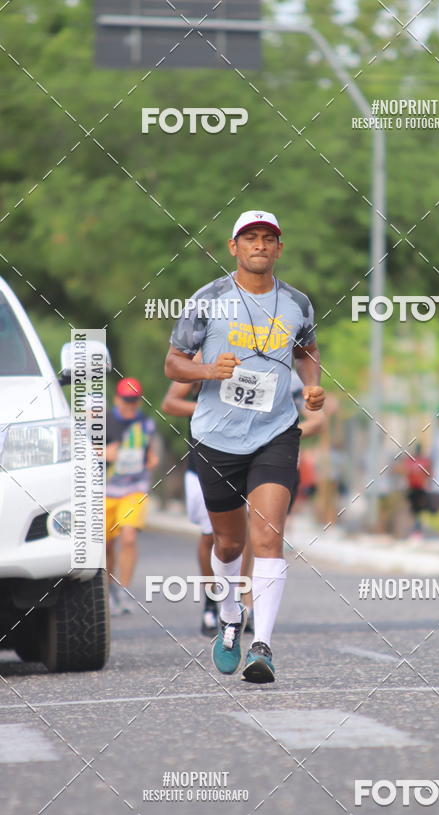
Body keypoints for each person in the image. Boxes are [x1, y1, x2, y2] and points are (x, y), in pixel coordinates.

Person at [164, 210, 325, 683]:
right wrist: (207, 371)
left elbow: (307, 351)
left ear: (279, 248)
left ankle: (263, 645)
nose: (259, 245)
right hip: (216, 437)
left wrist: (312, 387)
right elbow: (173, 363)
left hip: (275, 432)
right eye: (249, 238)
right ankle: (230, 616)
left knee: (268, 538)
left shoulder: (297, 302)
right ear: (233, 247)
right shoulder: (208, 301)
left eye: (268, 239)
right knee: (229, 543)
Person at [161, 376, 220, 637]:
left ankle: (242, 603)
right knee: (211, 536)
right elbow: (170, 403)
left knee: (246, 537)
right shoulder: (203, 360)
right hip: (203, 467)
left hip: (246, 463)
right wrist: (210, 409)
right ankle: (211, 603)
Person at [106, 377, 158, 614]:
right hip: (104, 491)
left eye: (134, 401)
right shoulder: (102, 421)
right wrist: (104, 453)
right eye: (126, 400)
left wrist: (151, 459)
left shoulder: (145, 424)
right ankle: (107, 591)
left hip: (133, 489)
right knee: (105, 544)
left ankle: (124, 591)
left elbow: (150, 452)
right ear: (117, 399)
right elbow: (81, 450)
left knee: (128, 537)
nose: (130, 405)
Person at [403, 443, 431, 536]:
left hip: (421, 489)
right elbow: (405, 472)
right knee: (412, 510)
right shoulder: (410, 460)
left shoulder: (425, 461)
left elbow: (428, 474)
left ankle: (418, 530)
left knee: (420, 511)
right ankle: (412, 530)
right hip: (412, 488)